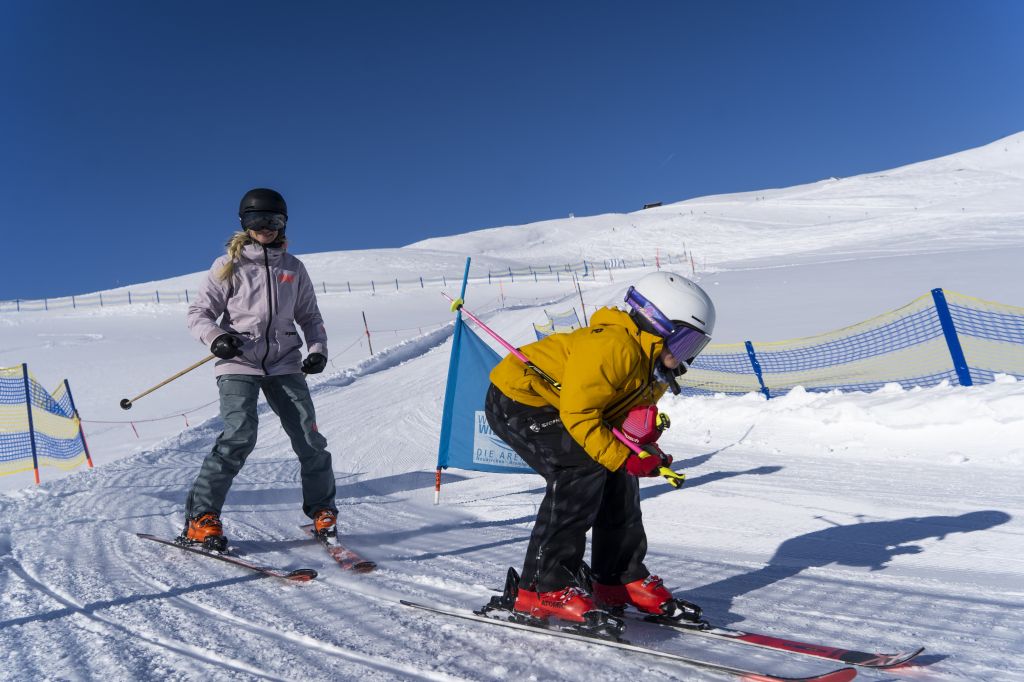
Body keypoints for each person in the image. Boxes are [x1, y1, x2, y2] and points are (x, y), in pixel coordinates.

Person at [485, 270, 715, 626]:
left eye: (695, 347)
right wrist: (623, 455)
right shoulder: (614, 346)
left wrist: (641, 453)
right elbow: (580, 415)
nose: (687, 356)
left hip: (568, 407)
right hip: (521, 399)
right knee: (579, 468)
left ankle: (618, 580)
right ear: (657, 324)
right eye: (685, 343)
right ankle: (545, 587)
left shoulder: (653, 369)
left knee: (618, 475)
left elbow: (620, 423)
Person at [182, 188, 337, 551]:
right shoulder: (228, 265)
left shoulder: (293, 268)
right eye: (257, 220)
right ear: (244, 224)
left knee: (309, 439)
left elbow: (310, 317)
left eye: (273, 220)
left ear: (284, 223)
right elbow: (198, 314)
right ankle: (201, 518)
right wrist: (216, 337)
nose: (265, 227)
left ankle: (322, 511)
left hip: (284, 362)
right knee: (239, 436)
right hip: (239, 360)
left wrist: (317, 349)